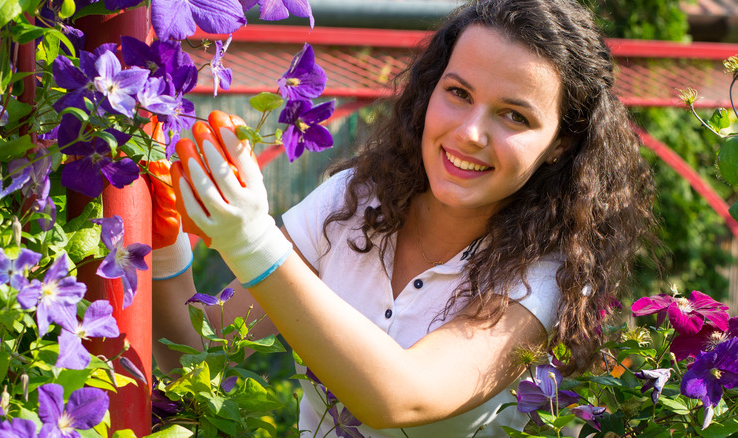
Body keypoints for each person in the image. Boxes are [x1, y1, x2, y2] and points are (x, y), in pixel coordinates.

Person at [150, 0, 657, 435]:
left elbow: (402, 396)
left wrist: (251, 239)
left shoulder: (545, 276)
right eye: (458, 93)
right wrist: (166, 245)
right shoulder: (354, 201)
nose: (469, 133)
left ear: (560, 145)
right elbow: (196, 352)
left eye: (514, 115)